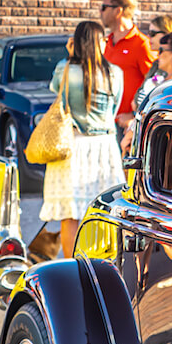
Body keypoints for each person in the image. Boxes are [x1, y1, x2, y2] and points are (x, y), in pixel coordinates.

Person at [40, 20, 124, 259]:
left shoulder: (65, 69)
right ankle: (104, 264)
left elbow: (57, 92)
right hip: (104, 146)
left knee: (71, 214)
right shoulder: (114, 73)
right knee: (106, 211)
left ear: (76, 43)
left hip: (72, 145)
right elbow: (114, 112)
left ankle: (70, 266)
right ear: (99, 42)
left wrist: (69, 57)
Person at [121, 30, 172, 155]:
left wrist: (131, 133)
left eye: (161, 51)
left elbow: (156, 116)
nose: (157, 55)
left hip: (160, 147)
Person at [100, 0, 155, 133]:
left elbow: (156, 84)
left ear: (118, 10)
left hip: (126, 127)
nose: (101, 12)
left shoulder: (141, 44)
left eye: (104, 7)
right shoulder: (106, 42)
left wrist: (134, 115)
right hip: (105, 122)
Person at [135, 14, 172, 108]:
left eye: (153, 33)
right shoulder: (156, 64)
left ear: (167, 33)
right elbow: (137, 98)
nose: (148, 36)